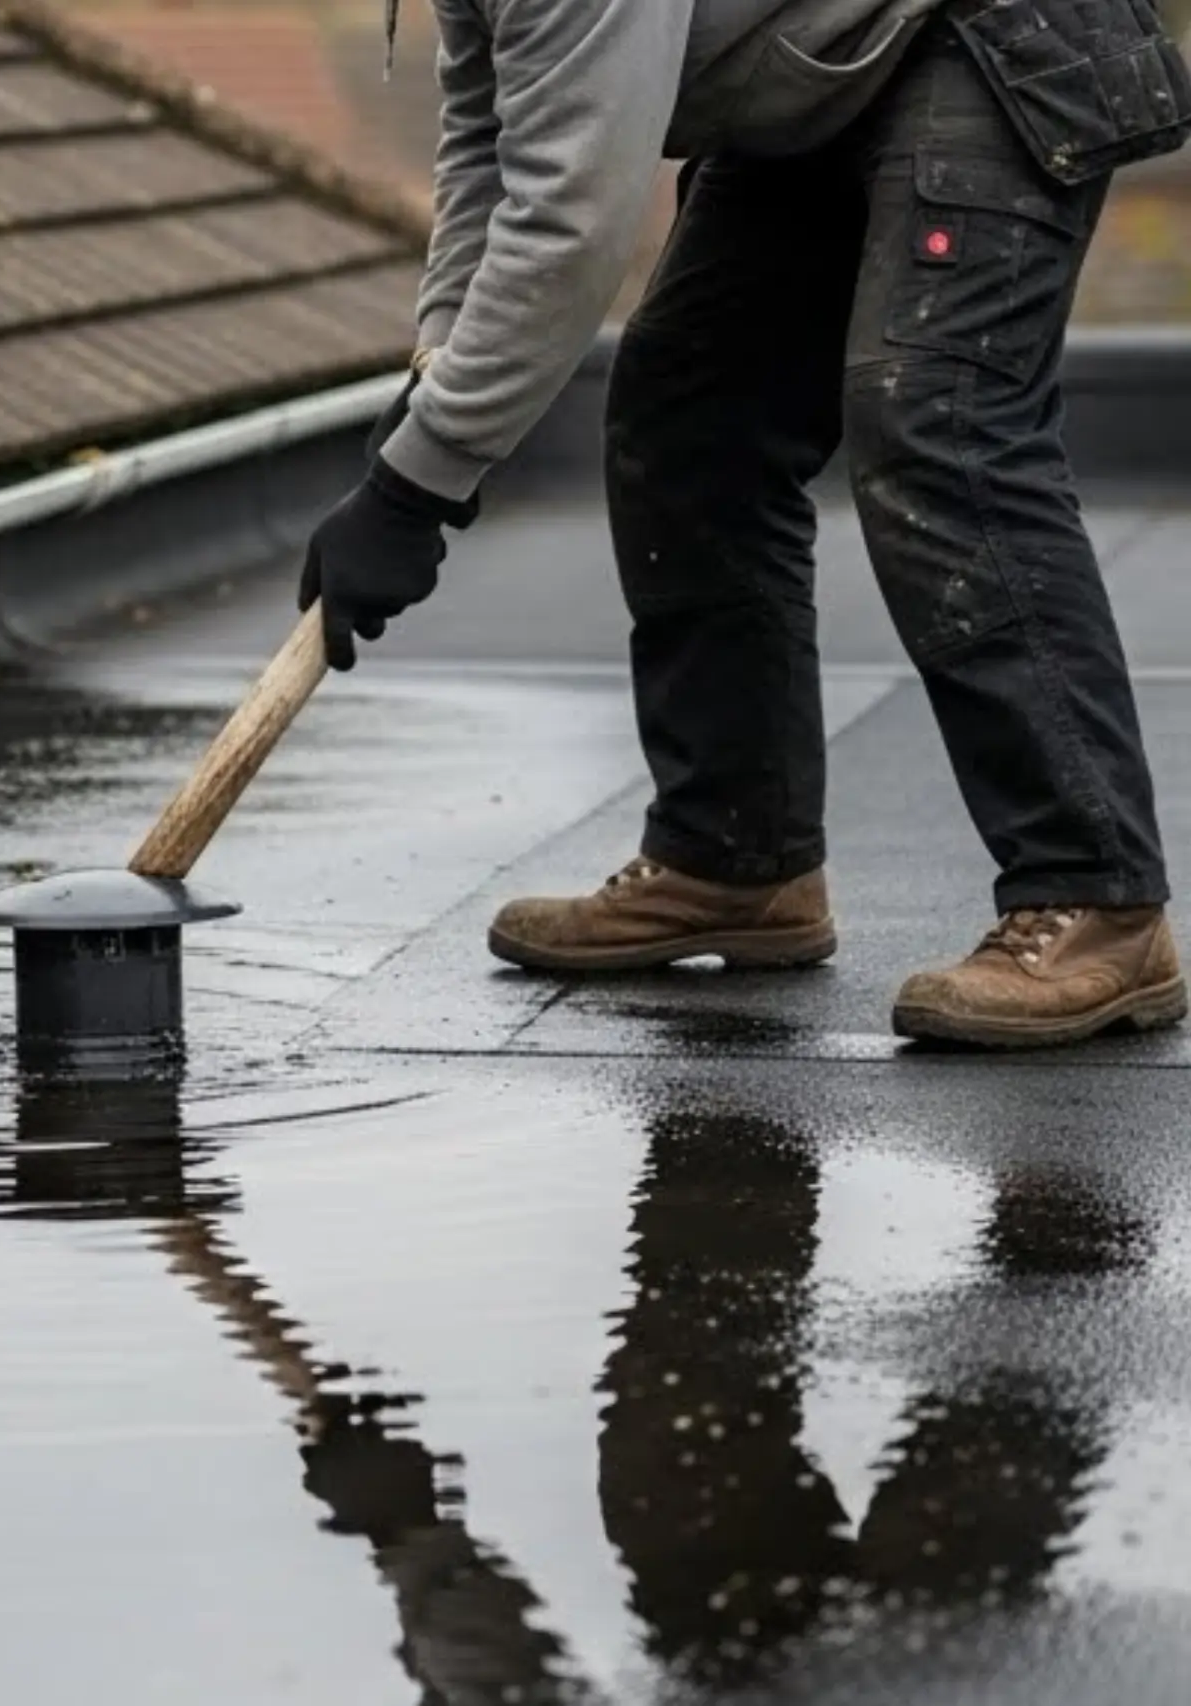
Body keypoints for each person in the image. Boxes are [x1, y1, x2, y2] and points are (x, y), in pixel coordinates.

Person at [302, 0, 1191, 1048]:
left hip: (986, 31)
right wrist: (439, 373)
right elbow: (489, 136)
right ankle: (734, 856)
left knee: (934, 415)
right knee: (689, 405)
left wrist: (419, 483)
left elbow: (570, 221)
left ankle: (1096, 898)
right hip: (830, 65)